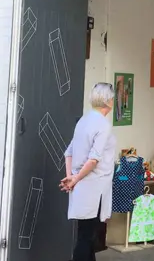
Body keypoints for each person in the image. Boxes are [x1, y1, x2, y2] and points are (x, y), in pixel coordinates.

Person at [60, 83, 117, 261]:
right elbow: (94, 158)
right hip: (95, 187)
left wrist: (71, 176)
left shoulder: (83, 121)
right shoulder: (103, 124)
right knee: (87, 237)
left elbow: (68, 152)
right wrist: (75, 178)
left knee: (86, 234)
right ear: (109, 101)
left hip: (82, 185)